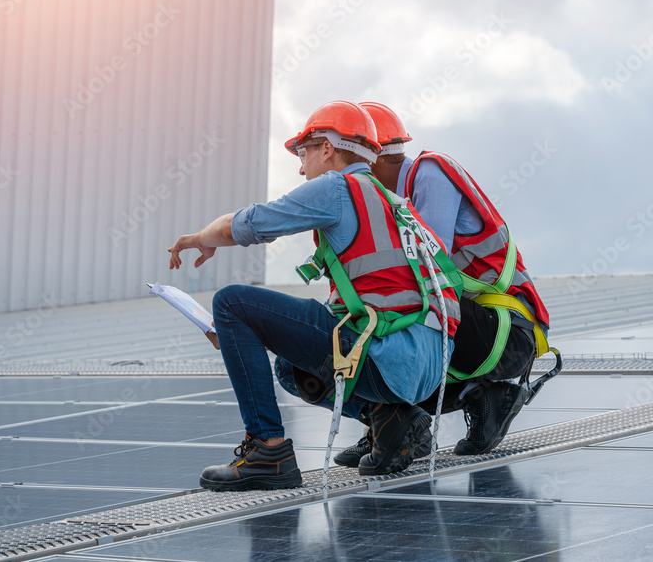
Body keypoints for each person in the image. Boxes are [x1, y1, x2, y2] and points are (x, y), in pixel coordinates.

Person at [167, 100, 460, 492]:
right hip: (430, 365)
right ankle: (391, 418)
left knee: (232, 303)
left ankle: (267, 451)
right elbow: (368, 300)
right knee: (290, 368)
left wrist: (198, 239)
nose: (301, 167)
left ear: (327, 147)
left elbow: (250, 223)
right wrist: (242, 336)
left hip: (391, 357)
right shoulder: (395, 203)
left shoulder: (338, 188)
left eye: (303, 152)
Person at [334, 102, 553, 461]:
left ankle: (394, 419)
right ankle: (395, 421)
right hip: (477, 327)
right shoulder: (395, 199)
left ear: (372, 161)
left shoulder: (430, 174)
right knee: (370, 323)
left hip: (507, 331)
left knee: (396, 311)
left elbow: (427, 274)